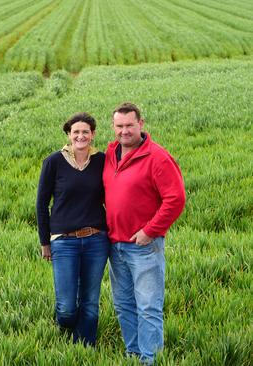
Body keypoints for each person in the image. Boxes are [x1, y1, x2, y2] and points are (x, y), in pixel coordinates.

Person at [103, 102, 185, 364]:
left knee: (148, 307)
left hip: (144, 246)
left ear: (141, 124)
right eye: (119, 126)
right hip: (115, 244)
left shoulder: (157, 157)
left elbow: (176, 198)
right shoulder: (110, 153)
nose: (124, 131)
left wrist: (150, 231)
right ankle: (133, 354)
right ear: (113, 127)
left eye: (129, 125)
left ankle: (150, 360)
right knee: (124, 305)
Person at [36, 112, 110, 346]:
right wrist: (45, 242)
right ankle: (68, 326)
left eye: (85, 132)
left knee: (89, 300)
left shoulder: (102, 161)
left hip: (96, 240)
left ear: (93, 134)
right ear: (69, 134)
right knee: (67, 308)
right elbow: (41, 204)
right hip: (64, 241)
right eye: (76, 132)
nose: (80, 136)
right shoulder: (54, 161)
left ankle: (84, 347)